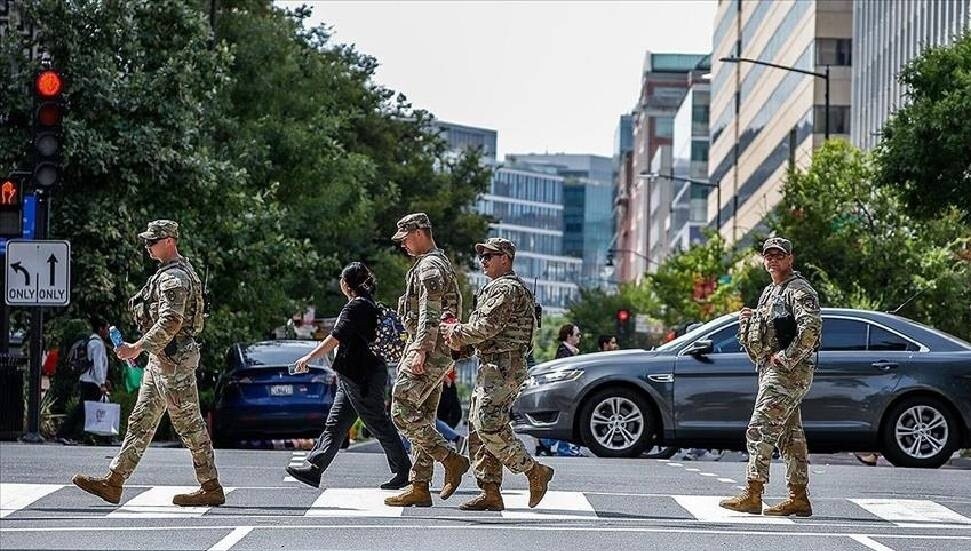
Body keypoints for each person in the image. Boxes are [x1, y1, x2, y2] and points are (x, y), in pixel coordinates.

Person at [72, 220, 224, 507]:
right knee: (140, 420)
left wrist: (136, 347)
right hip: (162, 360)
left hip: (174, 362)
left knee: (188, 423)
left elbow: (172, 321)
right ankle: (114, 481)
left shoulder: (173, 278)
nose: (148, 247)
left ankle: (210, 486)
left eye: (152, 242)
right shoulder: (170, 273)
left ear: (169, 242)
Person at [442, 237, 554, 511]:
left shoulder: (506, 289)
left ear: (505, 259)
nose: (483, 260)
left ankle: (533, 470)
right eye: (482, 256)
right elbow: (486, 335)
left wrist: (453, 331)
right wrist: (460, 347)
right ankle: (490, 491)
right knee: (479, 430)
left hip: (505, 367)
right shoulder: (494, 288)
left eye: (489, 256)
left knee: (488, 424)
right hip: (491, 365)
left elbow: (485, 327)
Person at [286, 262, 413, 490]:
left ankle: (403, 469)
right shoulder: (368, 304)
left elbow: (336, 337)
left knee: (378, 423)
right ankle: (315, 468)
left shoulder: (355, 307)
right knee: (335, 424)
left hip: (362, 377)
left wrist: (308, 358)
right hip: (354, 376)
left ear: (346, 284)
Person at [719, 237, 821, 517]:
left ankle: (753, 493)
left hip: (788, 372)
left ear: (791, 259)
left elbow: (810, 328)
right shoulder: (770, 292)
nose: (773, 259)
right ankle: (798, 498)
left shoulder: (798, 290)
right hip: (771, 370)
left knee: (759, 427)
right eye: (769, 255)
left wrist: (786, 358)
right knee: (790, 435)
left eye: (779, 255)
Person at [384, 213, 470, 508]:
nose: (403, 245)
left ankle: (451, 460)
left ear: (420, 233)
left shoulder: (431, 266)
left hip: (428, 350)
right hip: (437, 350)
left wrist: (419, 349)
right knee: (424, 417)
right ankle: (419, 486)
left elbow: (430, 312)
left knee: (400, 409)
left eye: (406, 238)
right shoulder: (434, 263)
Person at [57, 317, 111, 445]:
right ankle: (65, 433)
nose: (107, 331)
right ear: (100, 329)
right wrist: (101, 383)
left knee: (85, 409)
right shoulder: (97, 344)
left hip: (87, 379)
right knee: (83, 410)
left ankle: (79, 435)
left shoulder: (91, 341)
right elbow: (98, 365)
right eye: (106, 328)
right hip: (92, 382)